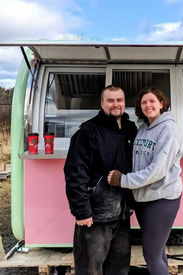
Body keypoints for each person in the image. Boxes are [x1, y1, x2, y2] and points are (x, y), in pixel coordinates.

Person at [108, 85, 183, 275]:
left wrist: (123, 180)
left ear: (162, 103)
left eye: (152, 101)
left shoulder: (169, 129)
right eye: (143, 102)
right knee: (157, 253)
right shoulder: (143, 128)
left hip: (161, 199)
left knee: (151, 256)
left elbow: (156, 171)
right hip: (143, 199)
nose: (148, 105)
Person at [64, 85, 137, 275]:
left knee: (119, 268)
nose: (115, 104)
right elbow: (74, 173)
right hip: (95, 215)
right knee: (90, 270)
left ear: (124, 103)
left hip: (121, 213)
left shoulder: (130, 129)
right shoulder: (88, 132)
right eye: (110, 100)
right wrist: (81, 211)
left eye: (119, 100)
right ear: (102, 103)